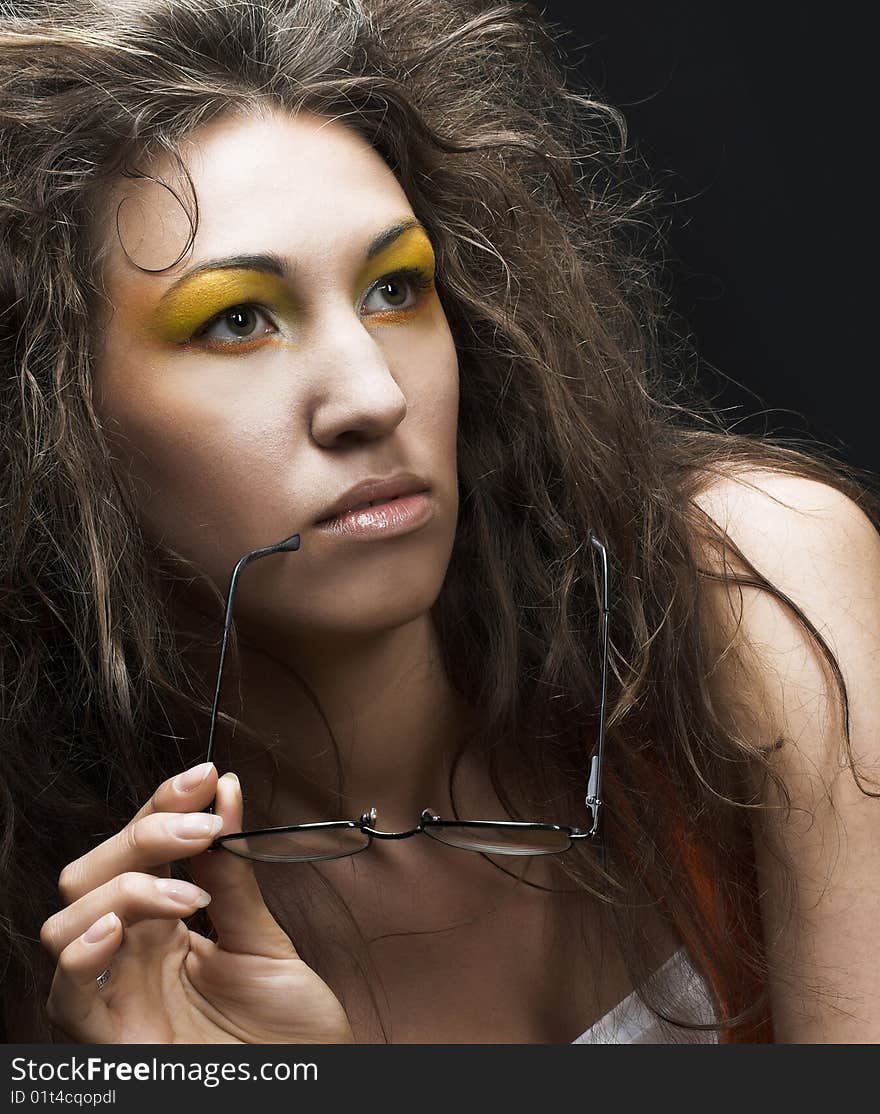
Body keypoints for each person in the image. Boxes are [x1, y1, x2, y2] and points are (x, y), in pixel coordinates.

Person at [1, 0, 878, 1045]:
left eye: (394, 288)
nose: (372, 394)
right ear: (51, 420)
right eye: (238, 320)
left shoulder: (751, 584)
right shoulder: (85, 973)